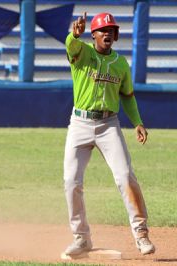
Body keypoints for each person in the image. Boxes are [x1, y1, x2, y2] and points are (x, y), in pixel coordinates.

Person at [62, 11, 155, 257]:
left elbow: (128, 96)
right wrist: (74, 34)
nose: (107, 34)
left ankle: (141, 233)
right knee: (72, 182)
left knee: (125, 176)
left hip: (108, 124)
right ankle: (81, 238)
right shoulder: (82, 53)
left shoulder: (121, 64)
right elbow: (70, 46)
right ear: (93, 35)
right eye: (103, 30)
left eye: (111, 31)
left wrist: (137, 122)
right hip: (80, 123)